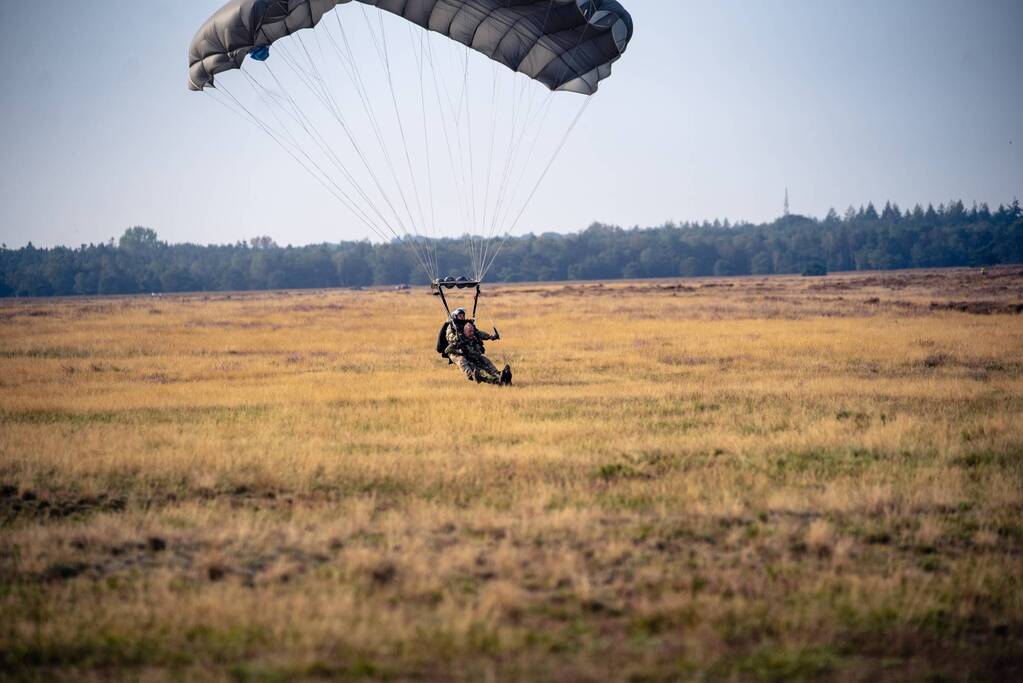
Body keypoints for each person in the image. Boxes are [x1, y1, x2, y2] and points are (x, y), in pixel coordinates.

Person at [444, 314, 511, 385]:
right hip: (469, 360)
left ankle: (501, 375)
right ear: (464, 331)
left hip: (476, 357)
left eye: (472, 331)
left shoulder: (475, 338)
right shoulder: (459, 340)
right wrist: (459, 351)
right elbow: (447, 350)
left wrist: (491, 337)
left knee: (485, 360)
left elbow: (482, 335)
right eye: (469, 331)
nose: (471, 333)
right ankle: (495, 381)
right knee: (480, 372)